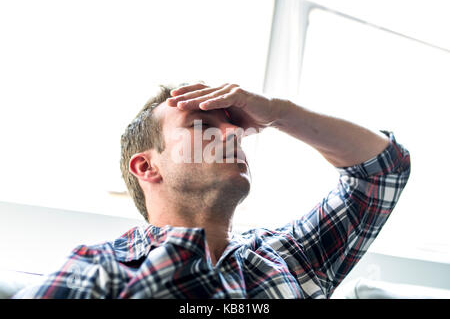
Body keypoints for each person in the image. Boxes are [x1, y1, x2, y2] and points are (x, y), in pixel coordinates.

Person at [13, 82, 411, 299]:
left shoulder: (287, 258)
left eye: (234, 123)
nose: (236, 131)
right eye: (201, 126)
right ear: (147, 167)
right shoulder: (96, 272)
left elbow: (383, 170)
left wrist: (279, 112)